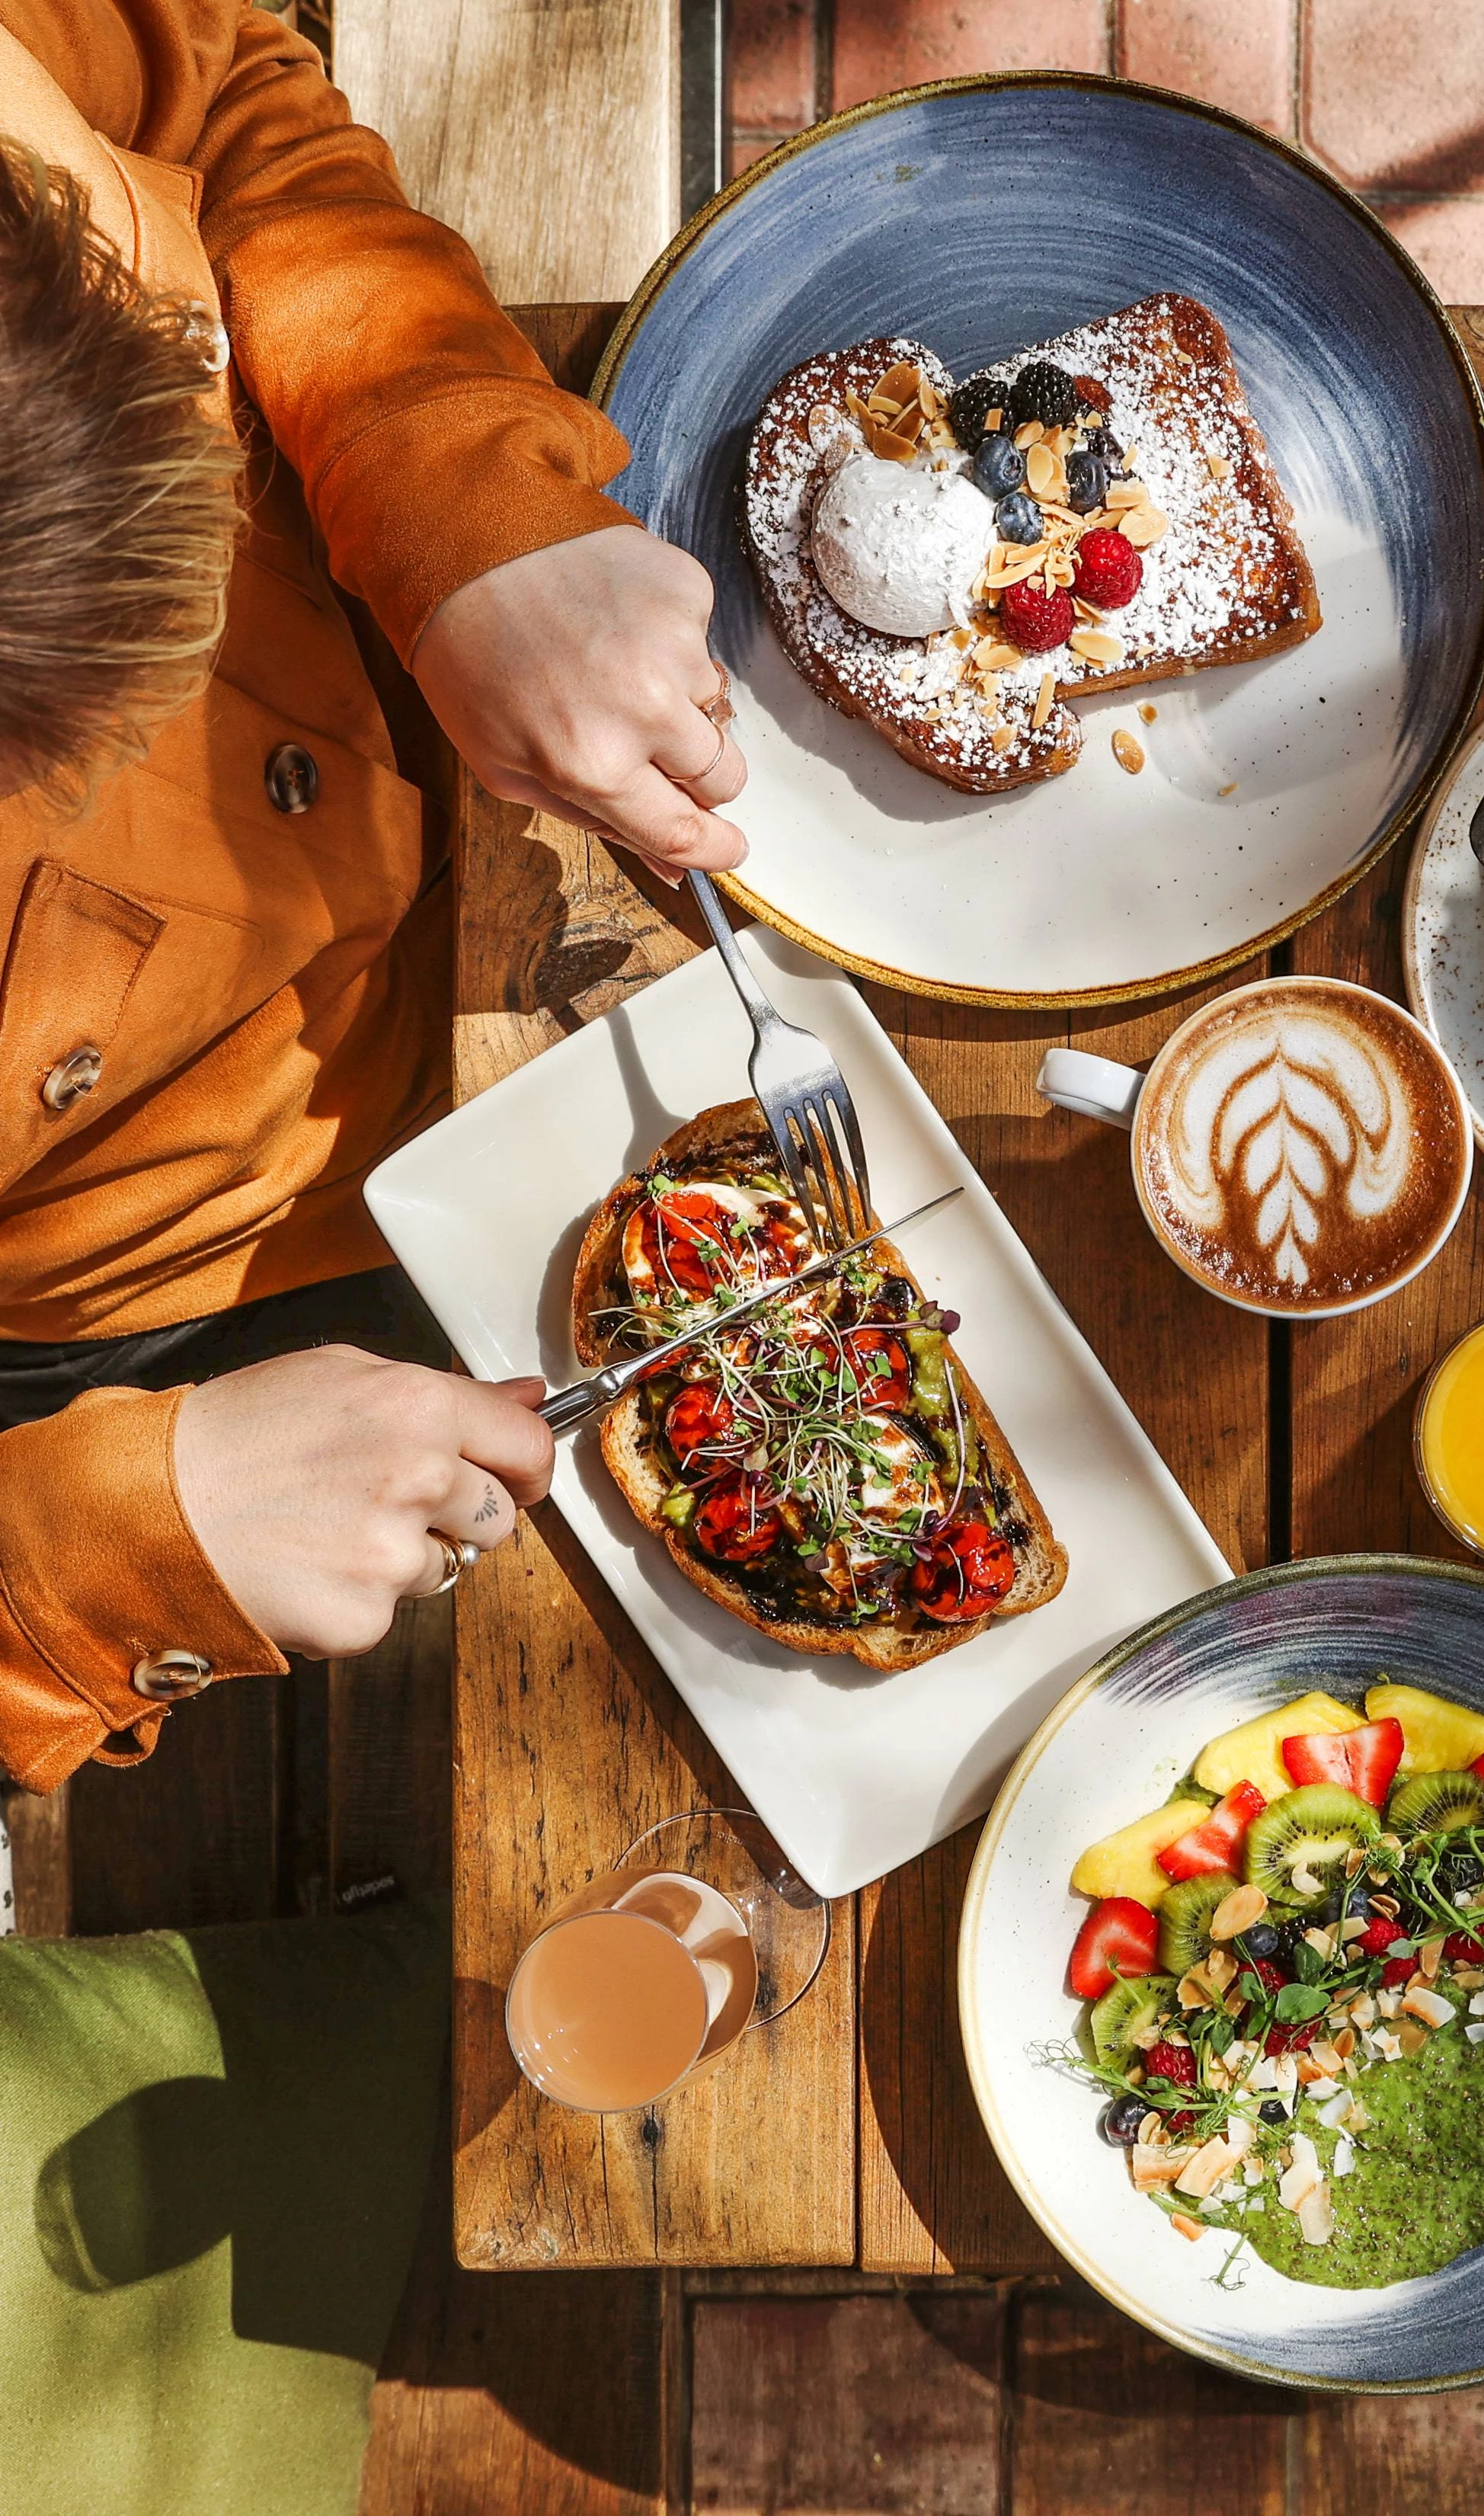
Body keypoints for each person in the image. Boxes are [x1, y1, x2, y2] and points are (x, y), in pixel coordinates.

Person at [0, 5, 750, 1795]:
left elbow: (223, 91)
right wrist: (105, 1548)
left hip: (491, 769)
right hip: (187, 1308)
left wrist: (445, 492)